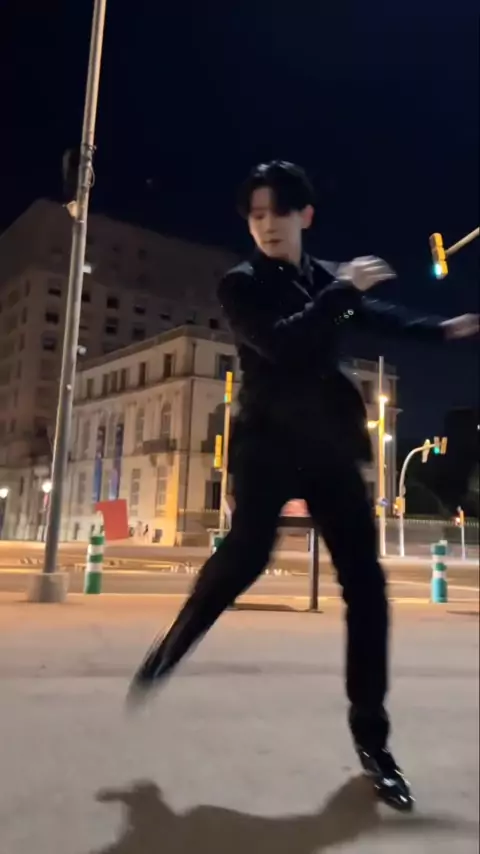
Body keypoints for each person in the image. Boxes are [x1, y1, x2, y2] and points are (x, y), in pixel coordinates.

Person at [127, 161, 478, 811]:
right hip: (266, 449)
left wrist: (445, 329)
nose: (266, 225)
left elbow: (377, 317)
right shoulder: (240, 284)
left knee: (367, 589)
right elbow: (284, 345)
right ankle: (177, 639)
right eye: (256, 215)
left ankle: (373, 741)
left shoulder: (325, 280)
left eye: (278, 213)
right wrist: (341, 291)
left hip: (329, 449)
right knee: (245, 558)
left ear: (304, 216)